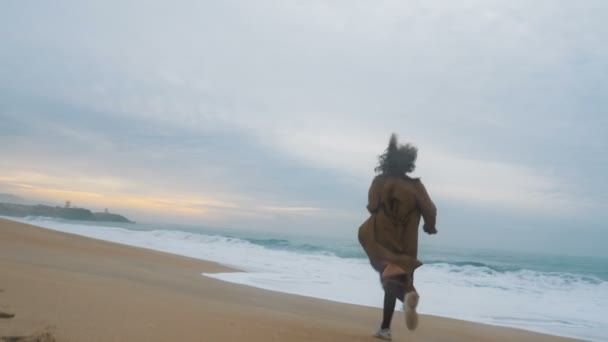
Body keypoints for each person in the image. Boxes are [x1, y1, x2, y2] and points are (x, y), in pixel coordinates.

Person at [358, 133, 437, 341]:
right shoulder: (416, 186)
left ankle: (390, 320)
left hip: (381, 236)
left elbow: (373, 206)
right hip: (406, 243)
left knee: (387, 271)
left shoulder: (380, 181)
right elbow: (430, 209)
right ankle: (394, 315)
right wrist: (430, 227)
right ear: (409, 164)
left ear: (387, 162)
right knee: (396, 279)